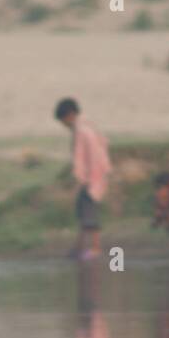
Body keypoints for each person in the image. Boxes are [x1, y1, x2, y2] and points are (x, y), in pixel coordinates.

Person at [55, 98, 111, 261]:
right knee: (82, 210)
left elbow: (94, 155)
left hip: (92, 178)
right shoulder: (83, 127)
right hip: (89, 178)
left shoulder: (83, 130)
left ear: (70, 115)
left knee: (90, 212)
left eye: (63, 120)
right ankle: (79, 246)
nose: (64, 125)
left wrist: (89, 178)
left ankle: (95, 248)